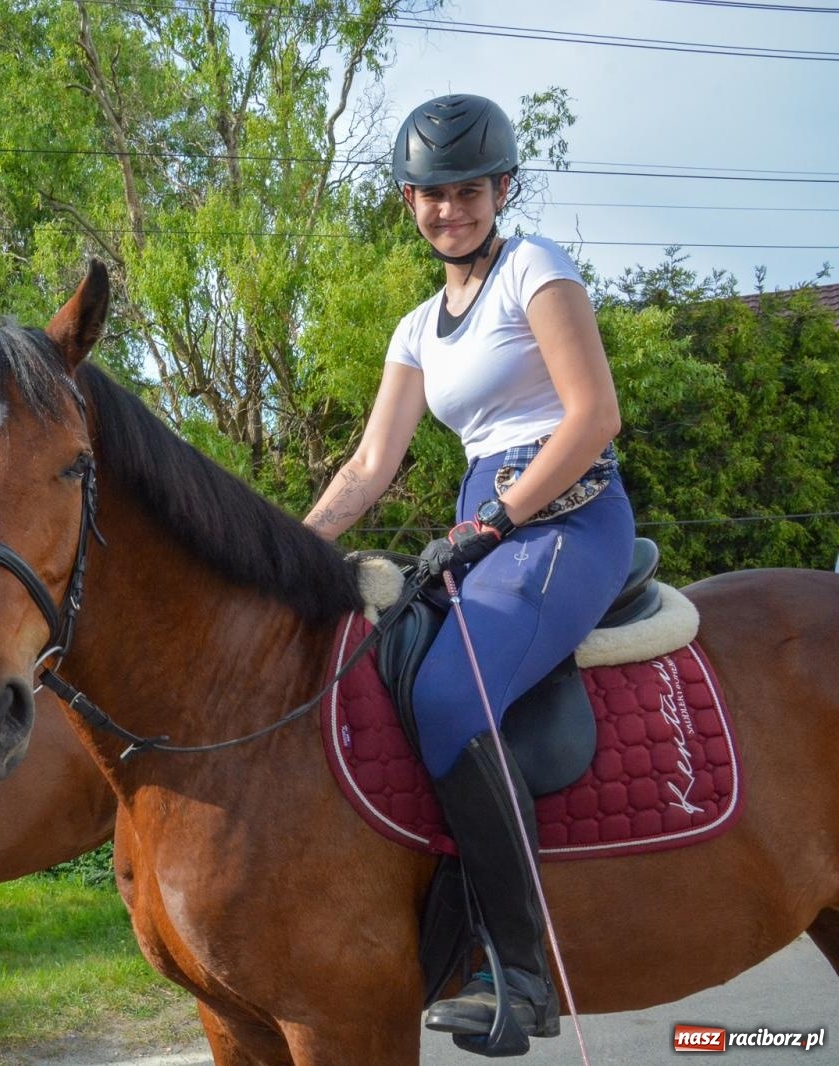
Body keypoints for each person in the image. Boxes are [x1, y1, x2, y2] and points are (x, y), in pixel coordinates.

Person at [303, 94, 634, 1045]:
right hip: (484, 527)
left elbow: (594, 416)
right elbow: (369, 468)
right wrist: (286, 547)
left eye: (469, 191)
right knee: (388, 671)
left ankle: (521, 975)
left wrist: (496, 516)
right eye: (431, 194)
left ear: (501, 189)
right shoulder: (415, 329)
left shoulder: (536, 268)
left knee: (452, 695)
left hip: (567, 514)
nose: (450, 209)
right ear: (408, 200)